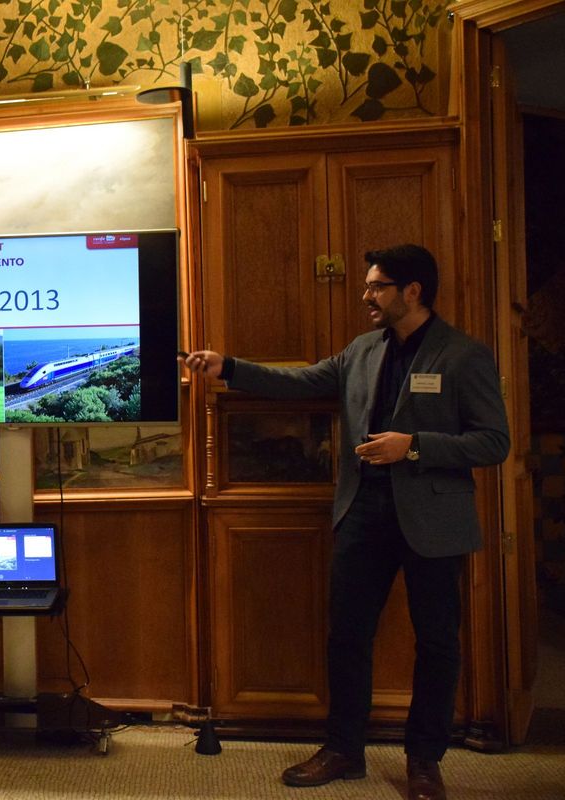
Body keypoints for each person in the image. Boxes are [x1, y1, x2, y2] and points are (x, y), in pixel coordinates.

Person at [181, 245, 509, 800]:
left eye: (377, 287)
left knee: (437, 643)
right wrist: (227, 367)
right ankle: (343, 750)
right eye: (368, 286)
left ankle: (424, 761)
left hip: (433, 520)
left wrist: (414, 446)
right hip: (363, 513)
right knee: (347, 637)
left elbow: (494, 441)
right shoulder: (362, 350)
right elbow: (303, 382)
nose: (366, 296)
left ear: (412, 291)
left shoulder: (462, 355)